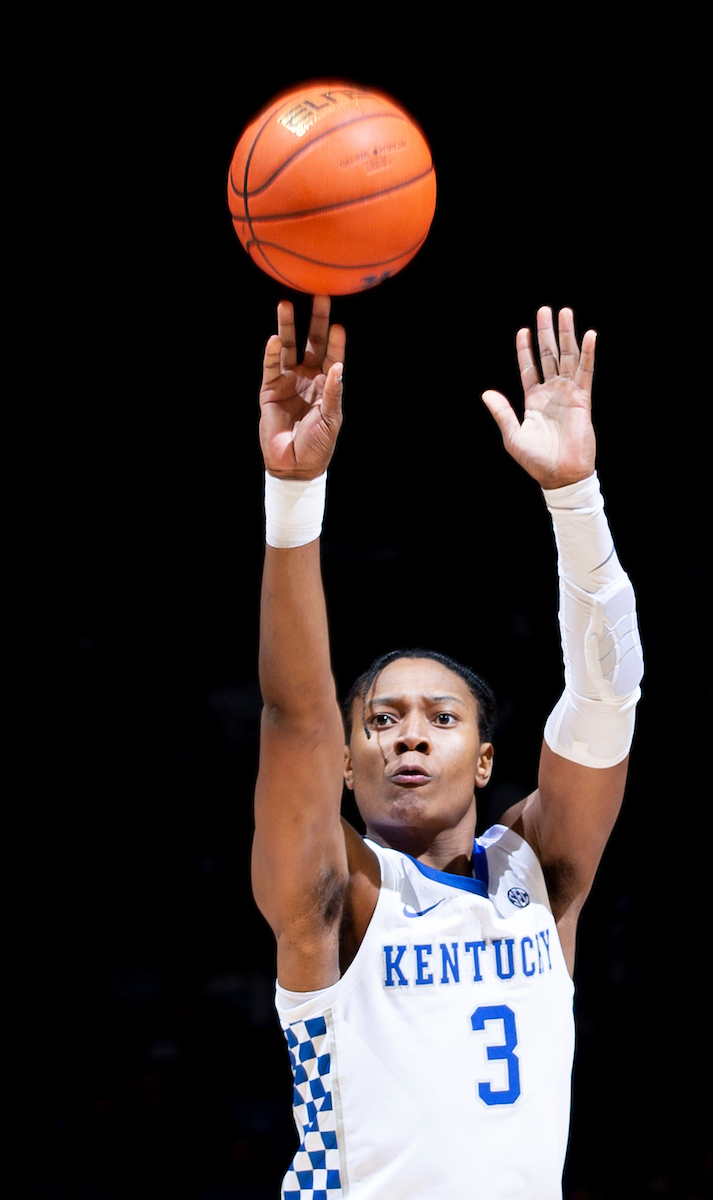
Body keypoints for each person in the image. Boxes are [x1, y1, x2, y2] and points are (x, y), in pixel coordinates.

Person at [252, 296, 643, 1198]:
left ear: (484, 760)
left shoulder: (538, 877)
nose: (408, 736)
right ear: (347, 766)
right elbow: (296, 716)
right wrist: (294, 491)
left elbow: (607, 693)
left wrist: (574, 496)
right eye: (381, 721)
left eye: (440, 717)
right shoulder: (333, 899)